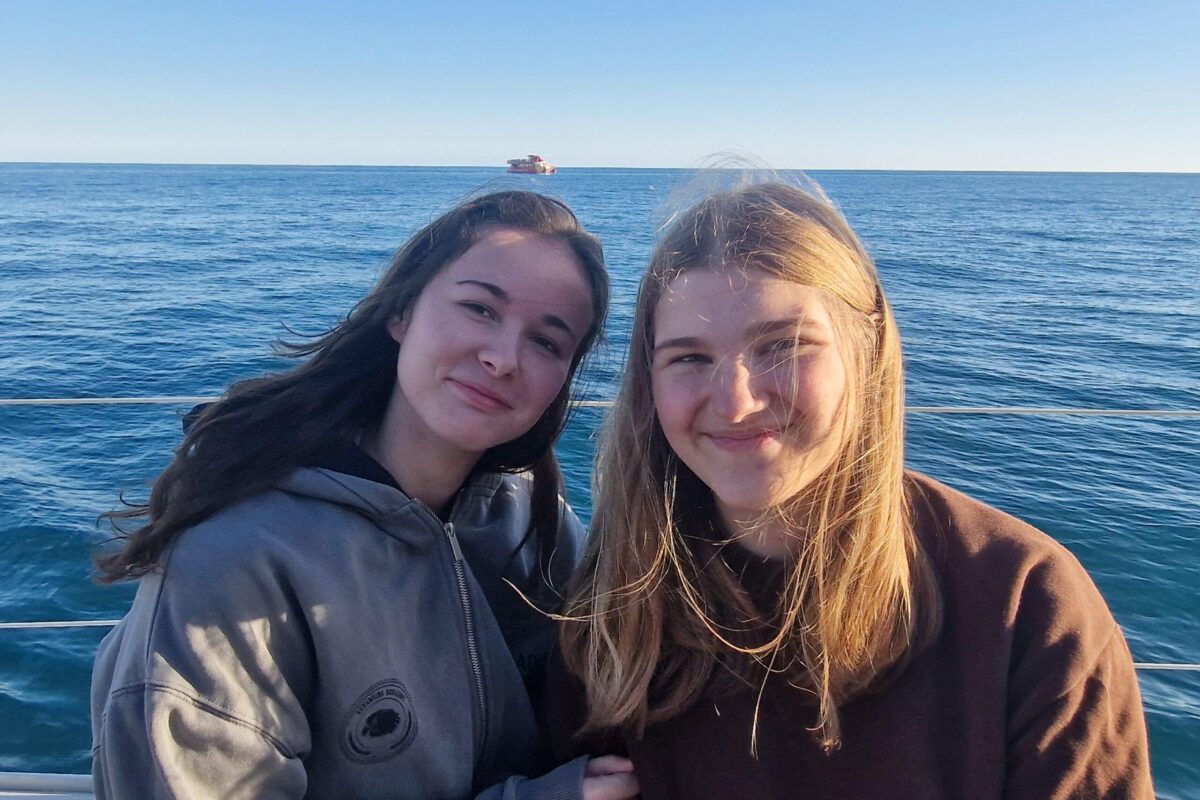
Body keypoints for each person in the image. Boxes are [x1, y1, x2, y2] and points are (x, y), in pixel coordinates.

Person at [553, 180, 1153, 798]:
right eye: (689, 358)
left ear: (867, 350)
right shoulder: (618, 596)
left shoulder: (1023, 601)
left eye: (783, 346)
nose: (735, 402)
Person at [90, 190, 639, 800]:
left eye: (547, 342)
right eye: (480, 308)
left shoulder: (528, 518)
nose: (503, 358)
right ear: (401, 313)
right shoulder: (234, 561)